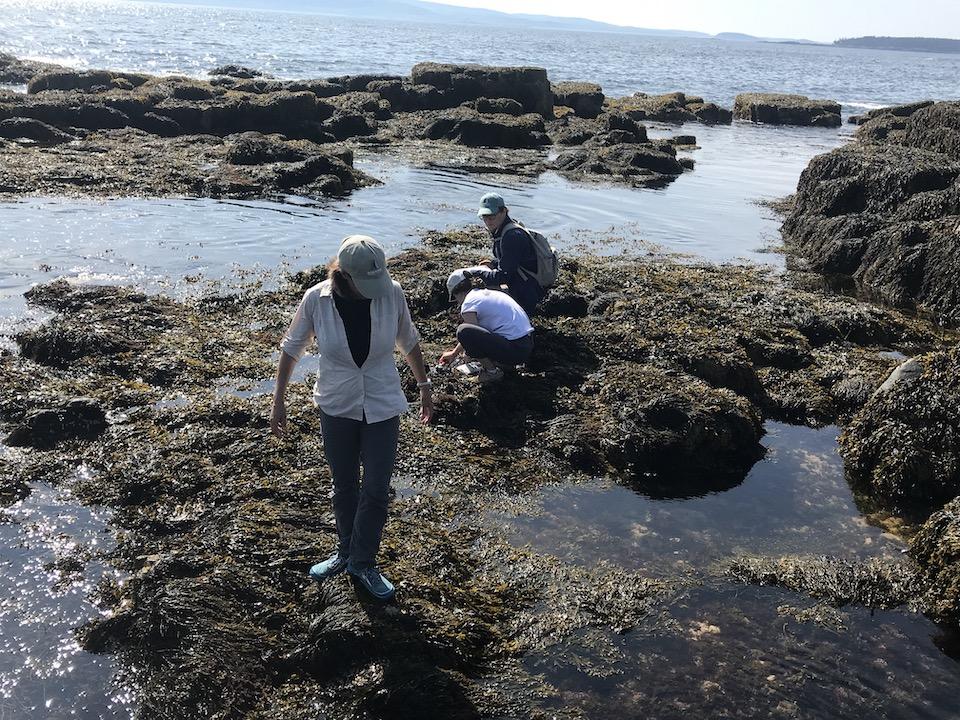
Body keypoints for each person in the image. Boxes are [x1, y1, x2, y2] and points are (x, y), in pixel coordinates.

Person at [271, 235, 433, 601]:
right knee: (344, 486)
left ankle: (364, 562)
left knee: (376, 488)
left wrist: (423, 385)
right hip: (336, 403)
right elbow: (292, 347)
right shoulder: (316, 298)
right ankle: (344, 552)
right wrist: (278, 400)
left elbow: (408, 339)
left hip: (382, 402)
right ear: (343, 276)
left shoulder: (392, 292)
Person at [438, 268, 534, 383]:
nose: (458, 302)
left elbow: (469, 333)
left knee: (462, 331)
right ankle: (504, 365)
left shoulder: (469, 302)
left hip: (514, 350)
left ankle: (492, 372)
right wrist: (454, 353)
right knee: (469, 330)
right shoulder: (489, 293)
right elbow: (476, 329)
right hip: (526, 345)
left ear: (456, 292)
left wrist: (467, 354)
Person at [470, 192, 546, 315]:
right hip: (524, 286)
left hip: (527, 294)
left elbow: (502, 277)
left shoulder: (512, 236)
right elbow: (513, 260)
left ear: (504, 211)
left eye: (492, 216)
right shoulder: (505, 229)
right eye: (484, 217)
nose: (488, 221)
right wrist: (494, 263)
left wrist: (475, 273)